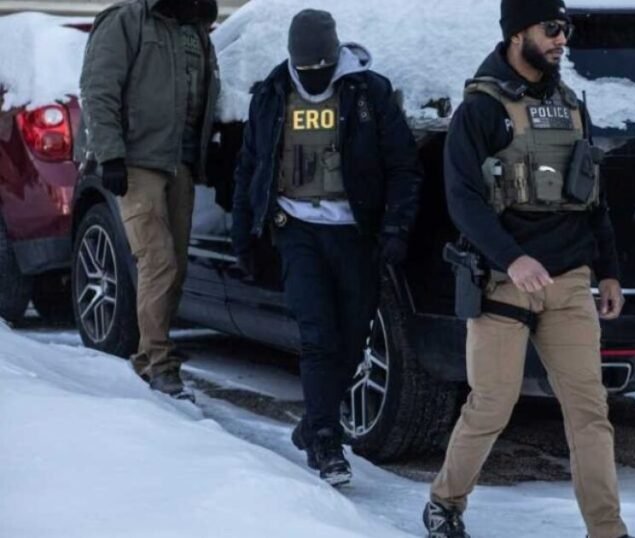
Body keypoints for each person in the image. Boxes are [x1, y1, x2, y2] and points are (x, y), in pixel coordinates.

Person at [422, 1, 632, 537]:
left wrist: (608, 270)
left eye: (567, 28)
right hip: (502, 284)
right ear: (518, 34)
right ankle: (445, 502)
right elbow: (462, 199)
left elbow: (593, 197)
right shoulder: (481, 109)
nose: (563, 39)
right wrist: (511, 258)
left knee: (589, 412)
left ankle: (608, 530)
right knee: (492, 405)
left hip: (569, 282)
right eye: (552, 28)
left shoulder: (571, 105)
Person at [231, 9, 422, 486]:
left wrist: (396, 229)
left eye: (320, 68)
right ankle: (325, 442)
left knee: (353, 339)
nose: (313, 76)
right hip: (296, 229)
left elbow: (403, 166)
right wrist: (244, 234)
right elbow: (250, 165)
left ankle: (313, 421)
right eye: (305, 69)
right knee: (317, 335)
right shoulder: (274, 93)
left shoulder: (368, 92)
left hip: (354, 233)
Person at [79, 0, 220, 400]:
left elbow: (204, 95)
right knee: (158, 261)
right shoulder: (126, 20)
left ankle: (149, 354)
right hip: (136, 162)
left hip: (180, 163)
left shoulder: (195, 29)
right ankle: (160, 366)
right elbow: (98, 88)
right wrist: (110, 155)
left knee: (175, 268)